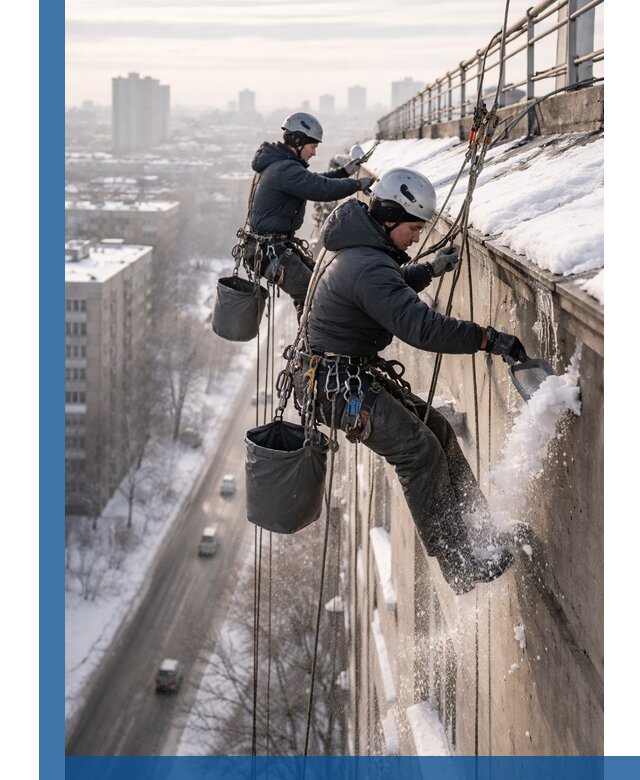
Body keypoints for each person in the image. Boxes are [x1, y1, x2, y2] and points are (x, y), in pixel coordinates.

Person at [295, 167, 528, 594]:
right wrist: (488, 338)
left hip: (340, 376)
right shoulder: (367, 263)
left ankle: (478, 530)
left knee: (438, 430)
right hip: (336, 386)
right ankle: (458, 561)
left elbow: (389, 286)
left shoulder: (362, 250)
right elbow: (421, 328)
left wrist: (428, 270)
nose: (416, 239)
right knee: (419, 452)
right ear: (389, 218)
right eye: (414, 229)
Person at [241, 112, 375, 318]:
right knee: (316, 297)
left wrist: (344, 172)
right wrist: (356, 184)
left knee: (315, 286)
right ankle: (311, 337)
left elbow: (313, 180)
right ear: (298, 141)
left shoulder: (281, 165)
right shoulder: (285, 169)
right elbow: (320, 188)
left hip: (270, 248)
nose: (313, 153)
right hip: (269, 250)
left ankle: (308, 332)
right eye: (312, 147)